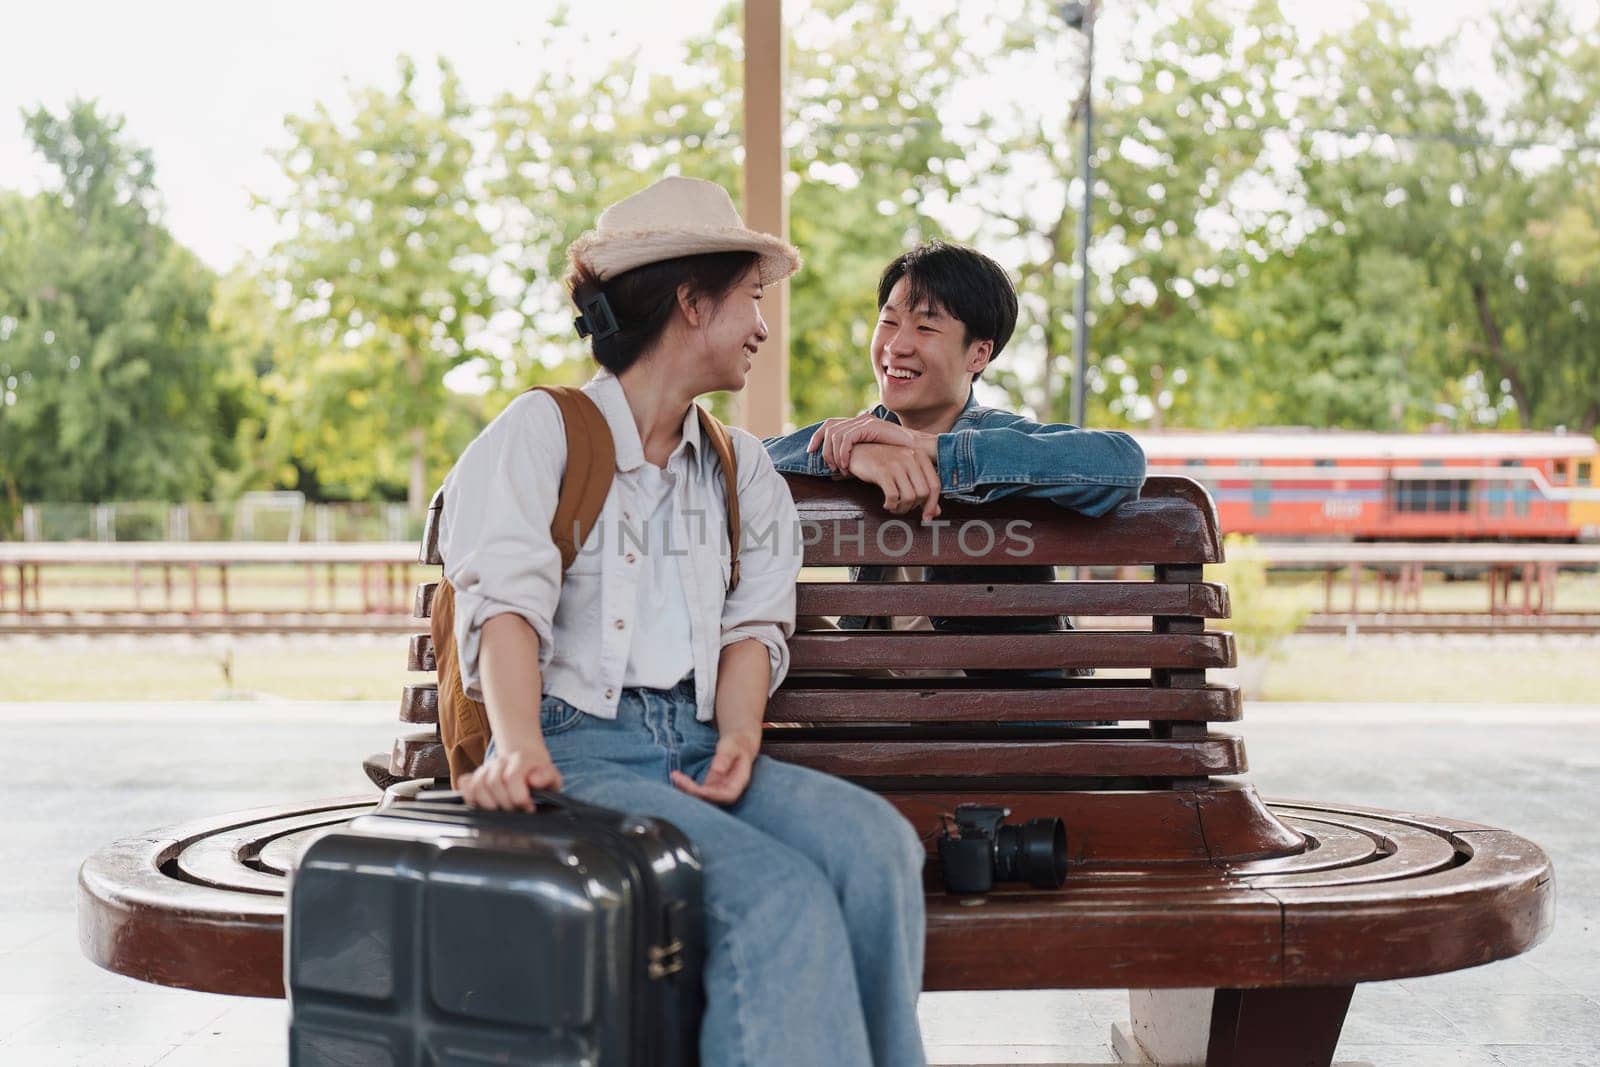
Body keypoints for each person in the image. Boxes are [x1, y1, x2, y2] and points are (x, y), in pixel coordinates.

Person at [437, 177, 927, 1067]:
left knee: (877, 850)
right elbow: (503, 603)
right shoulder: (542, 432)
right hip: (573, 754)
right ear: (691, 301)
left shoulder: (744, 471)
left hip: (697, 748)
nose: (762, 326)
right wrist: (515, 746)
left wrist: (740, 731)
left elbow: (755, 626)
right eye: (750, 297)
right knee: (778, 900)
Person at [764, 241, 1146, 668]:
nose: (897, 346)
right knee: (761, 618)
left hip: (995, 718)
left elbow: (1121, 463)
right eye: (888, 322)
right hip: (876, 713)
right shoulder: (862, 436)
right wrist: (854, 455)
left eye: (926, 329)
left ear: (979, 353)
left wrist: (927, 450)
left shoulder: (1000, 439)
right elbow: (735, 461)